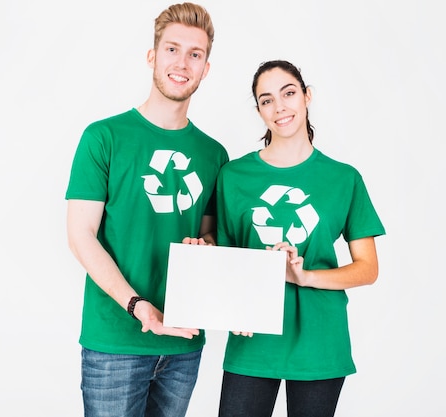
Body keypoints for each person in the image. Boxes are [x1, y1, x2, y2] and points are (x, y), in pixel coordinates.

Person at [65, 3, 228, 416]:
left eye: (195, 54)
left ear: (206, 68)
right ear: (152, 56)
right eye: (172, 49)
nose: (182, 63)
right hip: (116, 342)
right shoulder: (104, 137)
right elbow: (81, 235)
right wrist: (138, 305)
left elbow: (210, 234)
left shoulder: (214, 155)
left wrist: (205, 244)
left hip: (184, 345)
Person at [215, 60, 386, 417]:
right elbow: (225, 261)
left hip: (320, 342)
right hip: (252, 340)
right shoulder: (233, 176)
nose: (280, 107)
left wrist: (304, 275)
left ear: (307, 96)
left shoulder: (343, 178)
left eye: (289, 93)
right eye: (266, 100)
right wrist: (230, 305)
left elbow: (368, 269)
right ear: (259, 111)